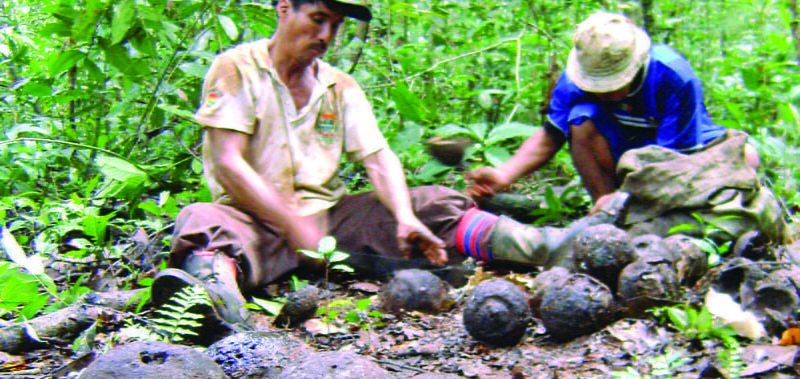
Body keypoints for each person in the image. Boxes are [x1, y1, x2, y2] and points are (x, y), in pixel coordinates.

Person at [150, 0, 622, 330]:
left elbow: (378, 159)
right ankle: (214, 303)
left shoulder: (340, 87)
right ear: (283, 9)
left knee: (434, 203)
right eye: (317, 19)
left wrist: (403, 217)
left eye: (334, 25)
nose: (325, 36)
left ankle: (543, 245)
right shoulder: (237, 67)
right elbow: (228, 163)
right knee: (202, 219)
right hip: (252, 218)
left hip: (329, 219)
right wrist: (288, 221)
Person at [467, 12, 759, 206]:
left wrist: (633, 202)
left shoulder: (672, 75)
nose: (605, 91)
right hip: (620, 151)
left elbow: (672, 160)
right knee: (580, 119)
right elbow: (550, 136)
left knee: (747, 157)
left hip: (680, 155)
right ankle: (603, 209)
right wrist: (505, 173)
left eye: (612, 82)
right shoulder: (574, 79)